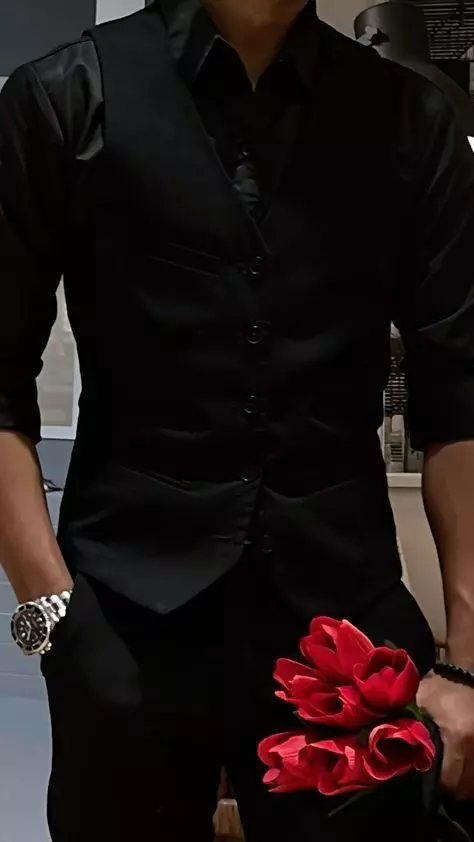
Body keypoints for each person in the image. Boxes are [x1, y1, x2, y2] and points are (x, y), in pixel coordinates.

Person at [0, 0, 474, 839]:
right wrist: (55, 620)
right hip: (123, 625)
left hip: (347, 626)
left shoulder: (410, 118)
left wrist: (466, 662)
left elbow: (460, 396)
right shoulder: (66, 95)